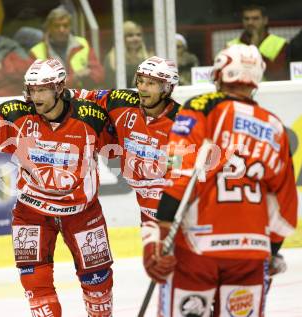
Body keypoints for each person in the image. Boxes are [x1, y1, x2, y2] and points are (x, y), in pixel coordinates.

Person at [0, 58, 116, 317]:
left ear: (59, 88)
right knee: (35, 284)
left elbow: (126, 138)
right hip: (31, 212)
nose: (35, 96)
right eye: (31, 89)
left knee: (98, 282)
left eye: (42, 90)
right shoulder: (17, 115)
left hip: (82, 213)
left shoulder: (90, 118)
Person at [143, 44, 298, 316]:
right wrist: (270, 251)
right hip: (251, 251)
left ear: (220, 74)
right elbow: (286, 207)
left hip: (197, 247)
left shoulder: (201, 107)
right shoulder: (275, 127)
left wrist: (161, 233)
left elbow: (179, 172)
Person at [73, 56, 181, 251]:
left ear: (167, 88)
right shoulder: (121, 102)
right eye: (140, 81)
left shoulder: (182, 123)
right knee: (157, 263)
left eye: (151, 83)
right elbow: (81, 96)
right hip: (146, 207)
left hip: (175, 207)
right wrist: (51, 94)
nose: (143, 88)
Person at [30, 6, 104, 89]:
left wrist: (89, 75)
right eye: (57, 26)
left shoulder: (82, 44)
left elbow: (100, 74)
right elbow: (37, 84)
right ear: (49, 28)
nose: (61, 29)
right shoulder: (36, 52)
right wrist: (75, 78)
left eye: (65, 25)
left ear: (70, 27)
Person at [227, 5, 289, 81]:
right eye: (246, 19)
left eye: (255, 19)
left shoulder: (280, 44)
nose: (250, 22)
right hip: (240, 91)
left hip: (270, 90)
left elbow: (278, 76)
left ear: (265, 20)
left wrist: (255, 51)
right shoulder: (231, 45)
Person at [103, 20, 152, 87]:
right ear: (122, 38)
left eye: (138, 35)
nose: (135, 38)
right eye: (130, 35)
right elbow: (109, 85)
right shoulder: (112, 58)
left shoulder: (148, 57)